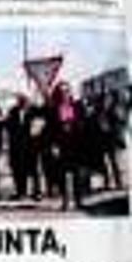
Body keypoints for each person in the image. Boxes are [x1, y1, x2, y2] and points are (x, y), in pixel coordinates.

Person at [49, 81, 87, 211]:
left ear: (70, 92)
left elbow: (83, 123)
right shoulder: (54, 109)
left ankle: (78, 201)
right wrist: (54, 145)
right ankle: (65, 201)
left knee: (77, 174)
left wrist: (73, 125)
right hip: (61, 145)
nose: (64, 93)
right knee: (62, 175)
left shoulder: (77, 106)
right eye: (61, 91)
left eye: (67, 91)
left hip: (76, 144)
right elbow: (51, 129)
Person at [6, 94, 32, 200]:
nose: (23, 102)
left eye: (25, 101)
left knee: (25, 170)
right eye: (21, 100)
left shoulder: (32, 112)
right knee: (16, 169)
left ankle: (25, 192)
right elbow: (8, 126)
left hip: (28, 146)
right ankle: (19, 191)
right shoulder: (12, 111)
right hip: (15, 145)